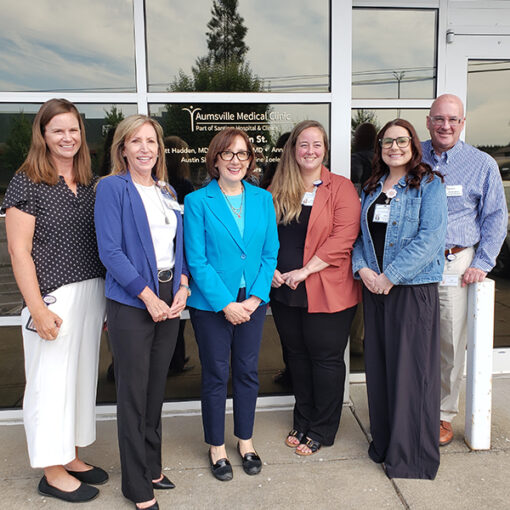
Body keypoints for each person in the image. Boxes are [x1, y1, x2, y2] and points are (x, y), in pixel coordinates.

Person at [2, 98, 107, 502]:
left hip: (91, 292)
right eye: (58, 130)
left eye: (73, 129)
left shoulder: (90, 182)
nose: (68, 137)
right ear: (42, 136)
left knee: (79, 381)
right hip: (53, 298)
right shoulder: (26, 181)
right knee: (49, 383)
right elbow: (18, 251)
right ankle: (51, 469)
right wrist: (38, 309)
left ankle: (71, 456)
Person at [95, 115, 189, 510]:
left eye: (151, 141)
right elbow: (110, 251)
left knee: (155, 389)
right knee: (133, 394)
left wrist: (183, 284)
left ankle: (152, 465)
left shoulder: (166, 189)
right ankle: (137, 486)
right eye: (136, 141)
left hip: (170, 293)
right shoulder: (112, 188)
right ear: (123, 148)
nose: (145, 148)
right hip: (133, 299)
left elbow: (177, 244)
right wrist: (148, 296)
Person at [352, 118, 447, 479]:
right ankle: (386, 443)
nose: (394, 147)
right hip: (375, 289)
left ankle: (411, 457)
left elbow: (431, 238)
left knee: (412, 375)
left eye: (401, 141)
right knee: (380, 369)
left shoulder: (429, 184)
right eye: (387, 141)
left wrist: (391, 276)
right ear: (379, 148)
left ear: (413, 145)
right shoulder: (371, 186)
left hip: (410, 290)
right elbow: (359, 238)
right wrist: (364, 272)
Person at [184, 127, 278, 481]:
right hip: (212, 304)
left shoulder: (262, 199)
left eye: (242, 154)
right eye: (228, 154)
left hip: (252, 301)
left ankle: (245, 440)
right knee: (215, 374)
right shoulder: (197, 202)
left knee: (248, 372)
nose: (235, 160)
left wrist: (255, 298)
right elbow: (196, 259)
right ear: (215, 160)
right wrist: (226, 303)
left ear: (250, 160)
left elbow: (270, 253)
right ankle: (216, 447)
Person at [270, 120, 360, 456]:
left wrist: (304, 271)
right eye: (303, 144)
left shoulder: (341, 187)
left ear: (325, 149)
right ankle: (303, 418)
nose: (310, 151)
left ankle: (322, 427)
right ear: (293, 149)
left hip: (327, 288)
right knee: (296, 358)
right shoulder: (277, 189)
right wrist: (273, 272)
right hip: (284, 289)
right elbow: (262, 237)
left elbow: (343, 239)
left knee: (325, 360)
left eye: (316, 145)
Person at [421, 94, 508, 446]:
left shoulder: (481, 164)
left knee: (449, 345)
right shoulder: (414, 154)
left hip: (455, 262)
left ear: (463, 122)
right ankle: (413, 406)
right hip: (414, 263)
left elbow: (496, 219)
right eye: (439, 119)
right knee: (414, 339)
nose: (445, 126)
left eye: (453, 120)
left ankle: (443, 414)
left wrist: (482, 263)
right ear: (428, 121)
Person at [164, 135, 195, 375]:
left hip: (175, 258)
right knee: (178, 314)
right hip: (178, 254)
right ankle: (176, 359)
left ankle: (172, 360)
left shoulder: (167, 184)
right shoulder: (181, 186)